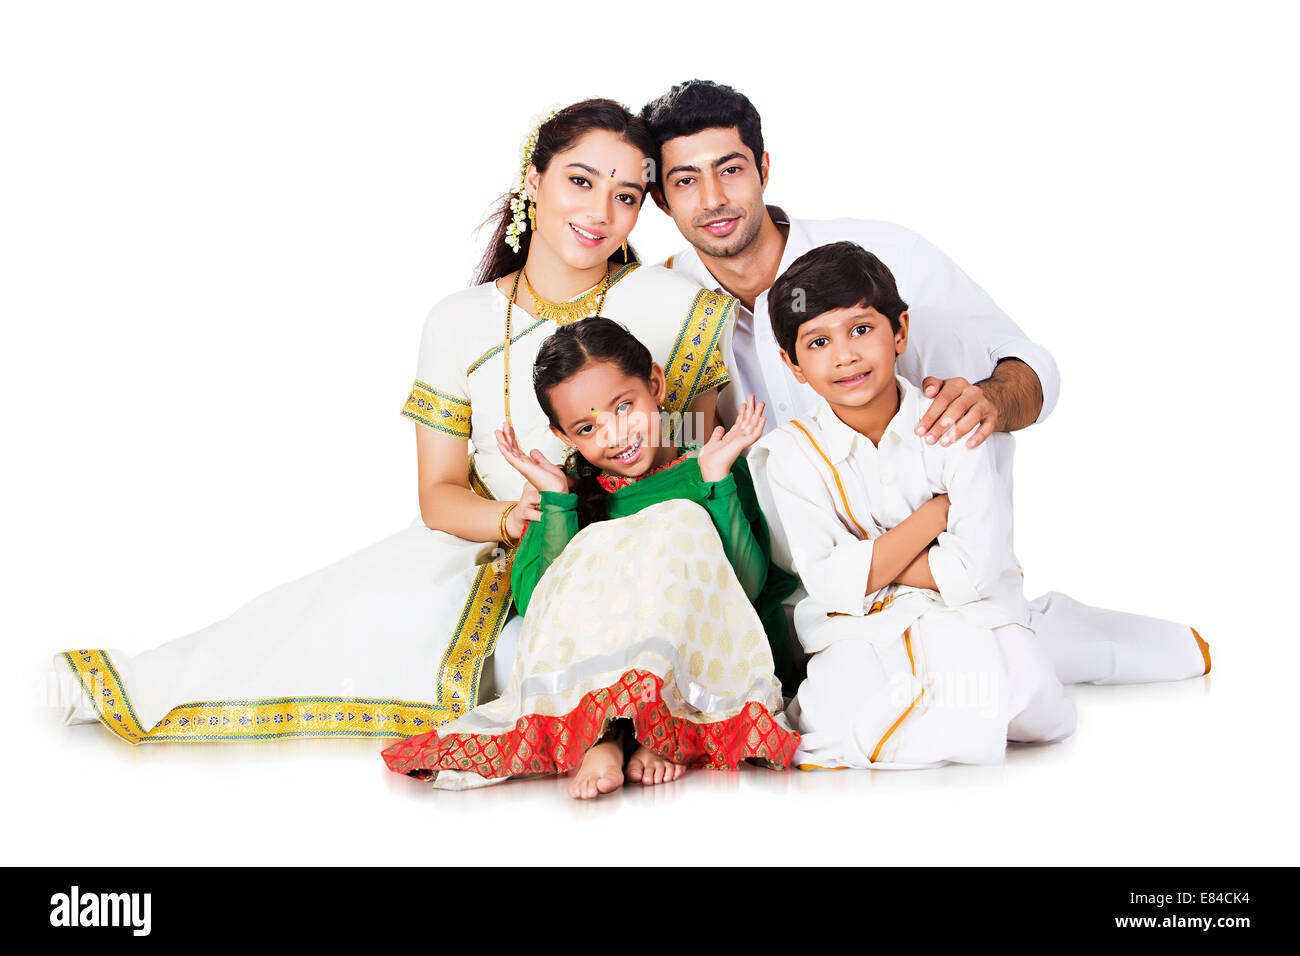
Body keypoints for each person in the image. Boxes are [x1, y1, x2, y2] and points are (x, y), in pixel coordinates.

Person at [55, 99, 739, 744]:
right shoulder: (458, 321)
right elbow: (440, 493)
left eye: (625, 197)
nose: (600, 212)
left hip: (638, 540)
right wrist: (514, 519)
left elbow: (701, 458)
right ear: (533, 180)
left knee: (563, 655)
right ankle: (122, 688)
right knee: (332, 617)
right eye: (580, 182)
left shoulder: (668, 304)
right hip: (503, 546)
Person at [640, 80, 1210, 686]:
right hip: (786, 591)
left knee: (995, 683)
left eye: (730, 169)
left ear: (765, 169)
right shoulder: (662, 306)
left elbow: (1030, 369)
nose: (713, 198)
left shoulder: (880, 257)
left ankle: (1034, 628)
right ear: (660, 199)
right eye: (685, 180)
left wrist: (986, 401)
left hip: (940, 570)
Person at [752, 243, 1202, 768]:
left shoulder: (953, 425)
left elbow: (976, 571)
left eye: (861, 329)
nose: (846, 355)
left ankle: (1060, 639)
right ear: (793, 364)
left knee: (1030, 706)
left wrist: (870, 568)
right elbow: (827, 583)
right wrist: (934, 519)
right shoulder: (787, 455)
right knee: (837, 715)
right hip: (854, 625)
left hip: (966, 611)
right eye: (819, 342)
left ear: (899, 332)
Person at [381, 317, 800, 797]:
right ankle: (613, 734)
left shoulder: (711, 463)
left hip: (708, 662)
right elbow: (538, 602)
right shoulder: (568, 494)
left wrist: (717, 483)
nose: (616, 434)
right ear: (564, 437)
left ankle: (660, 721)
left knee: (678, 522)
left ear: (656, 385)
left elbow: (744, 586)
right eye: (587, 426)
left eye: (625, 406)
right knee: (600, 547)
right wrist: (558, 502)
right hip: (603, 670)